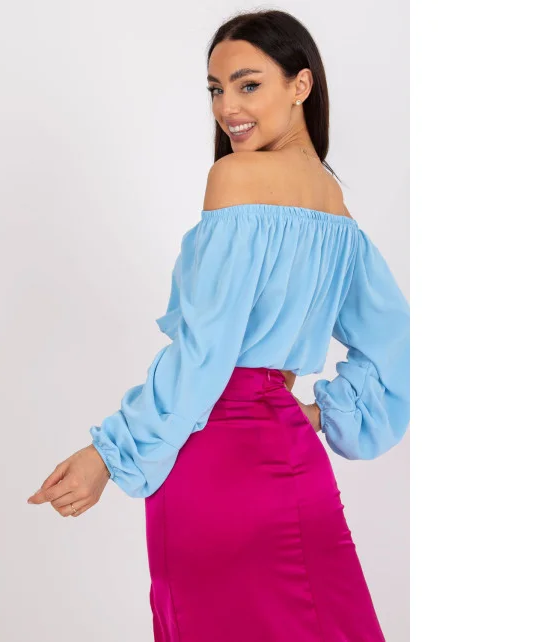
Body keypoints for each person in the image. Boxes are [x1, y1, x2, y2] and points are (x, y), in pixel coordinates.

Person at [27, 9, 409, 641]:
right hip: (293, 459)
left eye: (247, 84)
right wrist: (319, 415)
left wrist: (108, 454)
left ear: (301, 85)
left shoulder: (235, 178)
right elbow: (394, 347)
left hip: (214, 463)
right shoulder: (336, 209)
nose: (227, 107)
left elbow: (203, 357)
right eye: (215, 89)